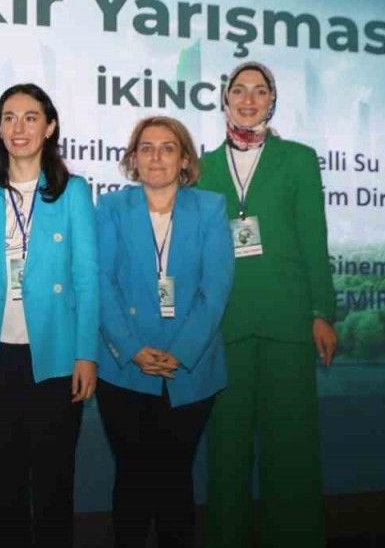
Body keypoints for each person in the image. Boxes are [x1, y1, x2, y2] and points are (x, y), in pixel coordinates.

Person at [0, 83, 100, 548]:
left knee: (54, 482)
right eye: (9, 117)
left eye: (31, 117)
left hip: (54, 357)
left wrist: (87, 354)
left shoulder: (73, 192)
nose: (19, 127)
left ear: (50, 127)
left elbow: (87, 279)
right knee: (2, 484)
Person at [198, 61, 338, 547]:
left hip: (288, 322)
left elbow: (314, 240)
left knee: (292, 453)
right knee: (226, 454)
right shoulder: (201, 167)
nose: (249, 99)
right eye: (239, 90)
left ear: (272, 101)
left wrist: (322, 312)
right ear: (225, 100)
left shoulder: (298, 159)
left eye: (260, 91)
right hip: (225, 326)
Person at [94, 116, 234, 548]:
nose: (156, 157)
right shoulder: (111, 208)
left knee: (175, 479)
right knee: (131, 479)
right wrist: (132, 348)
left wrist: (183, 351)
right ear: (133, 159)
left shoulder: (210, 208)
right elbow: (101, 284)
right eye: (147, 148)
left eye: (168, 148)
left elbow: (215, 289)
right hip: (124, 369)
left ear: (185, 159)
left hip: (189, 371)